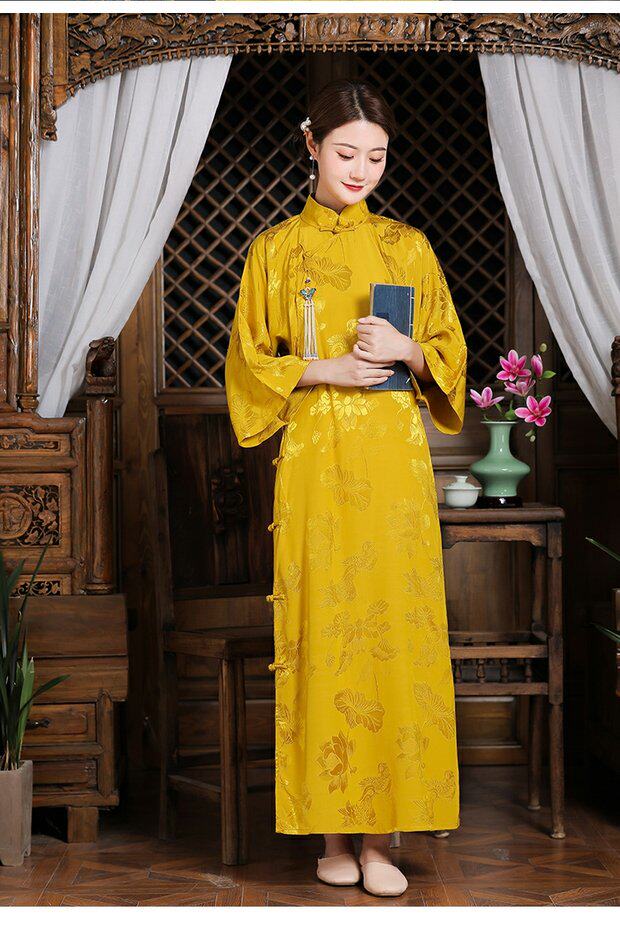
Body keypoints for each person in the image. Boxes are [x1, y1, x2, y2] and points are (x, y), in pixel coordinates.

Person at [225, 78, 467, 898]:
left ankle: (382, 842)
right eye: (346, 153)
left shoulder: (408, 247)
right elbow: (248, 364)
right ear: (311, 145)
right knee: (323, 635)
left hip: (395, 469)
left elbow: (449, 353)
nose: (361, 170)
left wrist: (407, 351)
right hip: (316, 467)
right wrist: (322, 368)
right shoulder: (273, 251)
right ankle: (330, 835)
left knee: (395, 637)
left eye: (377, 157)